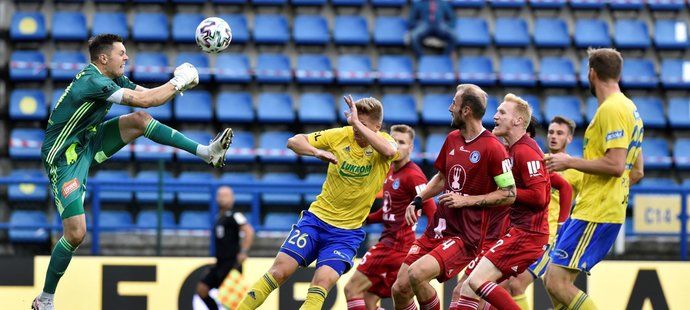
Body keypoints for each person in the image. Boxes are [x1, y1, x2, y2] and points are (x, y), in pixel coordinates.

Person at [32, 34, 233, 310]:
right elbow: (149, 99)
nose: (126, 57)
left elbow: (146, 97)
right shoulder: (93, 82)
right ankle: (45, 299)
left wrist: (177, 86)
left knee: (139, 120)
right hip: (63, 157)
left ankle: (207, 153)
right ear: (104, 59)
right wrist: (179, 80)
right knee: (76, 233)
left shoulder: (111, 79)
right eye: (121, 53)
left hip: (87, 140)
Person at [238, 95, 399, 310]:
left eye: (362, 124)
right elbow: (293, 141)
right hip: (316, 221)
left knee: (321, 283)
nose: (356, 129)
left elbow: (390, 152)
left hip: (346, 234)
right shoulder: (341, 136)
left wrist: (357, 123)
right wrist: (316, 152)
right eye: (354, 123)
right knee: (279, 272)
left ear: (377, 127)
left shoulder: (386, 143)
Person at [391, 84, 516, 310]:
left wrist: (466, 200)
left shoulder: (493, 148)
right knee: (399, 288)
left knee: (416, 274)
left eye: (454, 104)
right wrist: (418, 199)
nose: (450, 108)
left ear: (466, 110)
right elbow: (441, 177)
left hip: (465, 235)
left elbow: (509, 194)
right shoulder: (452, 139)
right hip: (438, 228)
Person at [543, 48, 644, 310]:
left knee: (555, 282)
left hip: (596, 211)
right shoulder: (630, 109)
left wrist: (568, 161)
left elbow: (616, 164)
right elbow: (636, 170)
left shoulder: (612, 109)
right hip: (600, 207)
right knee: (556, 285)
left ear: (592, 73)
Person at [454, 94, 551, 310]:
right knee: (468, 290)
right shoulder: (512, 150)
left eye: (502, 112)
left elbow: (540, 197)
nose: (495, 116)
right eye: (497, 111)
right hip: (516, 232)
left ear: (518, 121)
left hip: (528, 235)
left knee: (475, 282)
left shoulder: (526, 151)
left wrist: (508, 193)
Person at [344, 124, 437, 310]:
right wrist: (367, 219)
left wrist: (429, 244)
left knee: (351, 289)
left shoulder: (413, 176)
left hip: (394, 247)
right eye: (393, 141)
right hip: (397, 247)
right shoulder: (391, 171)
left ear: (411, 148)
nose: (397, 145)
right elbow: (390, 211)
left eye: (402, 142)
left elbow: (432, 210)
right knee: (370, 300)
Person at [497, 116, 579, 310]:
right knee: (501, 286)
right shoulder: (538, 159)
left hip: (549, 236)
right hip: (524, 231)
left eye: (560, 133)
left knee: (516, 285)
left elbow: (578, 193)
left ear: (569, 139)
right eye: (551, 132)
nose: (553, 136)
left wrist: (562, 225)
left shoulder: (576, 168)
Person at [197, 186, 255, 310]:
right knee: (202, 289)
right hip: (220, 263)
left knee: (231, 301)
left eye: (225, 195)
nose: (222, 198)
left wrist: (244, 251)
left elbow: (249, 231)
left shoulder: (235, 215)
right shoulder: (219, 217)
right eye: (220, 195)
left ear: (232, 198)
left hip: (232, 264)